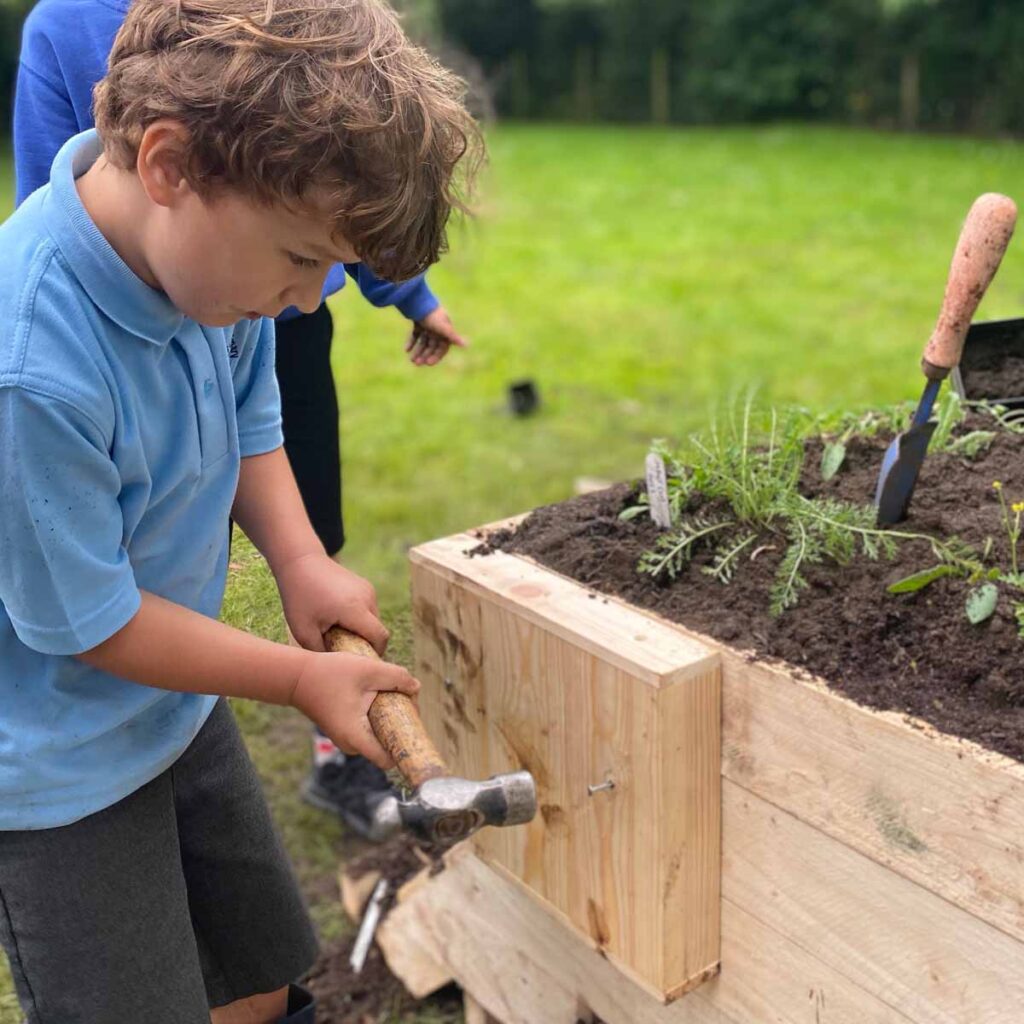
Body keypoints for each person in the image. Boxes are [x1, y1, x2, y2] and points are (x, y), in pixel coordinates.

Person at [0, 0, 479, 1021]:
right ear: (169, 164)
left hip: (175, 709)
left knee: (260, 977)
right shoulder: (32, 366)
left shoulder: (207, 276)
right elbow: (95, 622)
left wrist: (300, 557)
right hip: (56, 770)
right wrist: (302, 676)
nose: (311, 299)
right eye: (304, 258)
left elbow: (249, 399)